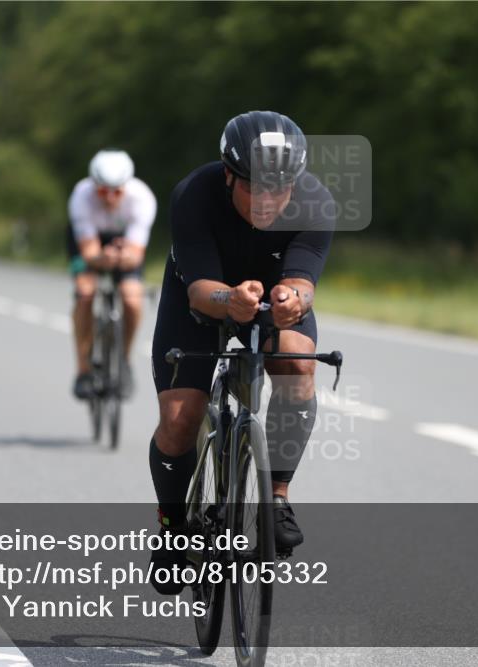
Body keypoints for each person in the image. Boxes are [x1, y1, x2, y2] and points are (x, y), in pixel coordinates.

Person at [147, 110, 335, 594]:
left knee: (297, 364)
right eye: (256, 187)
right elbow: (198, 293)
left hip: (271, 296)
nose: (270, 200)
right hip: (203, 292)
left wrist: (295, 300)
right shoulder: (195, 194)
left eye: (281, 188)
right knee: (179, 418)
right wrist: (230, 299)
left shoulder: (315, 200)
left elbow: (303, 282)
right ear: (229, 175)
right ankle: (172, 529)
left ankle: (276, 497)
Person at [68, 149, 156, 400]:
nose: (108, 198)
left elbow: (136, 254)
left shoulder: (142, 198)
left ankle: (124, 359)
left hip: (124, 245)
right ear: (93, 186)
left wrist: (121, 257)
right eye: (102, 191)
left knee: (131, 298)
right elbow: (88, 251)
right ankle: (83, 370)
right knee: (85, 293)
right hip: (89, 244)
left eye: (116, 191)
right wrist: (101, 259)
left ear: (126, 187)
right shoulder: (81, 196)